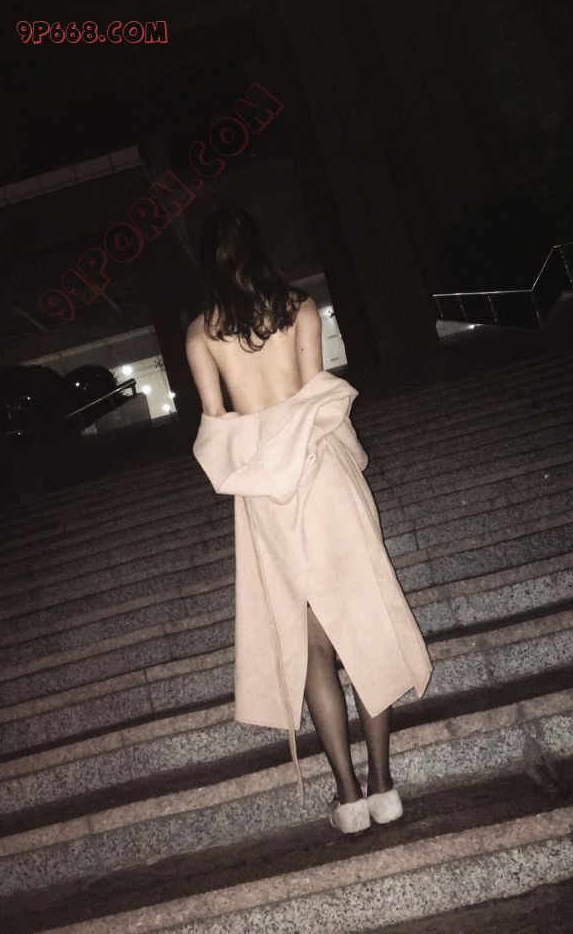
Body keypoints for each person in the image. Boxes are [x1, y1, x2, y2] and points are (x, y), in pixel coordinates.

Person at [185, 205, 432, 835]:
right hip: (322, 477)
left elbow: (217, 426)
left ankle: (347, 796)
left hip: (266, 498)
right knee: (363, 625)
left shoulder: (200, 334)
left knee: (313, 644)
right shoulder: (299, 308)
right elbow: (315, 394)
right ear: (259, 248)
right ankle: (383, 785)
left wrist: (257, 459)